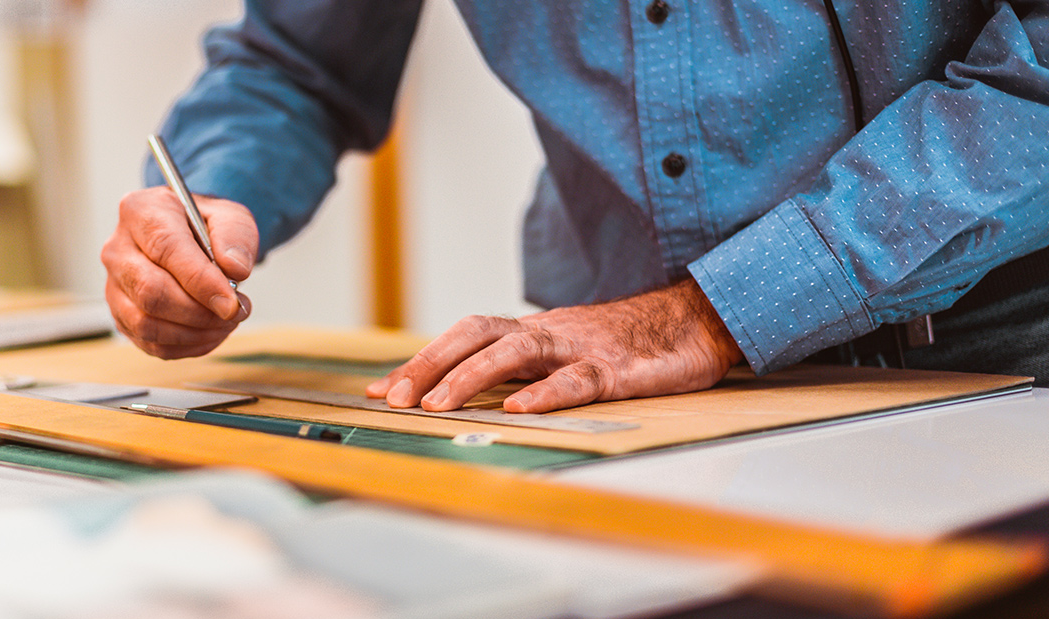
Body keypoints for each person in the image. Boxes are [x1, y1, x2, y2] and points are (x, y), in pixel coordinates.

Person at [100, 0, 1049, 414]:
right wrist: (214, 193)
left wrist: (711, 312)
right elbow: (293, 65)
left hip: (983, 367)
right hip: (600, 386)